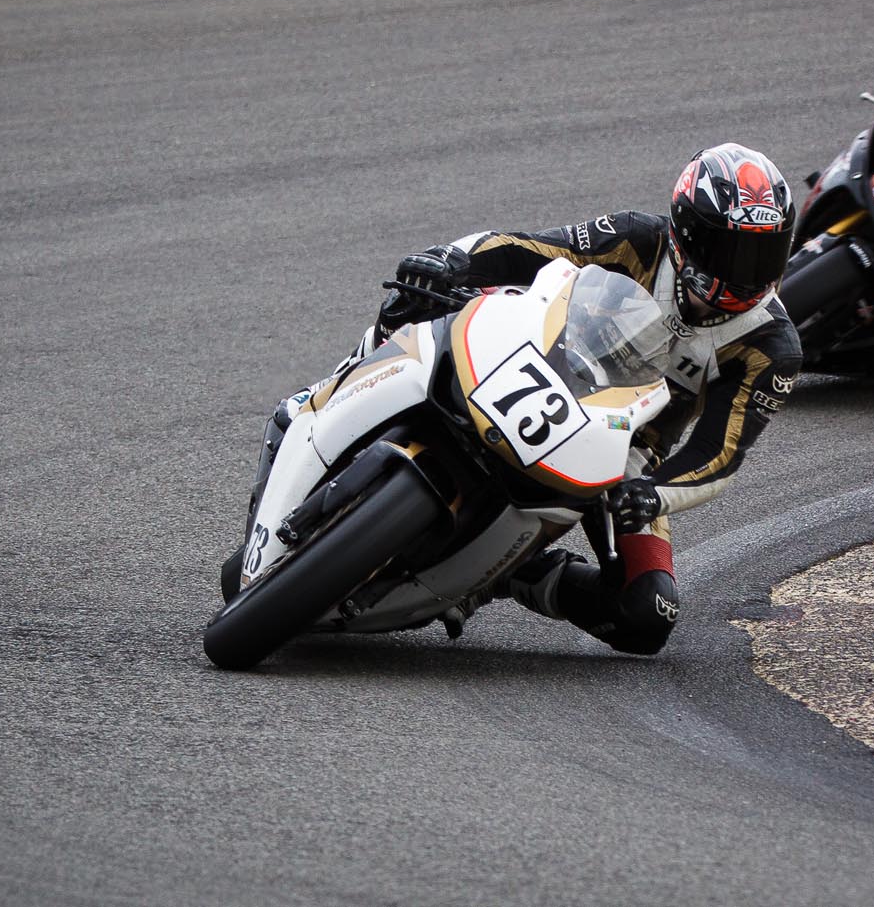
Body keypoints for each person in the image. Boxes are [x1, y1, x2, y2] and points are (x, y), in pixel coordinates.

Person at [265, 144, 802, 656]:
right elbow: (530, 249)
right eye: (729, 249)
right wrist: (453, 259)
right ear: (687, 231)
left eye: (762, 252)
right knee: (412, 298)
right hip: (539, 358)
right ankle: (327, 395)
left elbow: (719, 452)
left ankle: (512, 572)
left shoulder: (771, 347)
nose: (744, 270)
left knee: (648, 615)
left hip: (625, 451)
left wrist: (653, 493)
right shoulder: (641, 239)